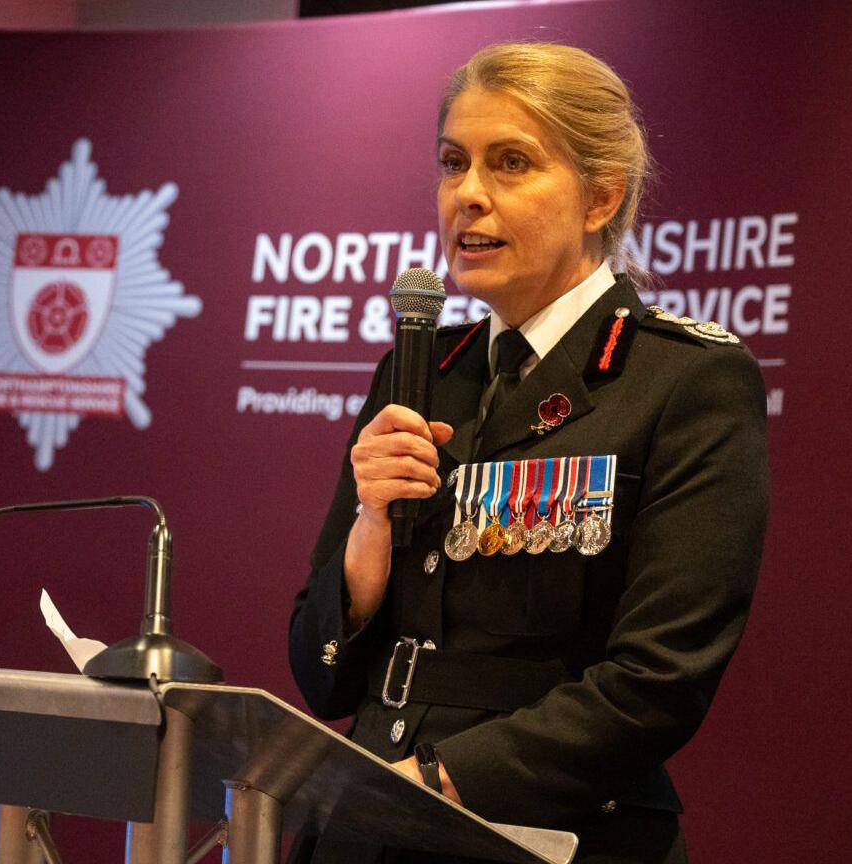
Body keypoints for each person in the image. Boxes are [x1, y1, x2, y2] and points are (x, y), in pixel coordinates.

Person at [287, 42, 769, 864]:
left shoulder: (684, 380)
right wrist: (371, 529)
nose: (468, 195)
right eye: (453, 163)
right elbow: (319, 672)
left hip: (550, 835)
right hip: (367, 824)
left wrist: (434, 784)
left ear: (601, 197)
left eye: (511, 164)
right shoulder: (417, 372)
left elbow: (657, 683)